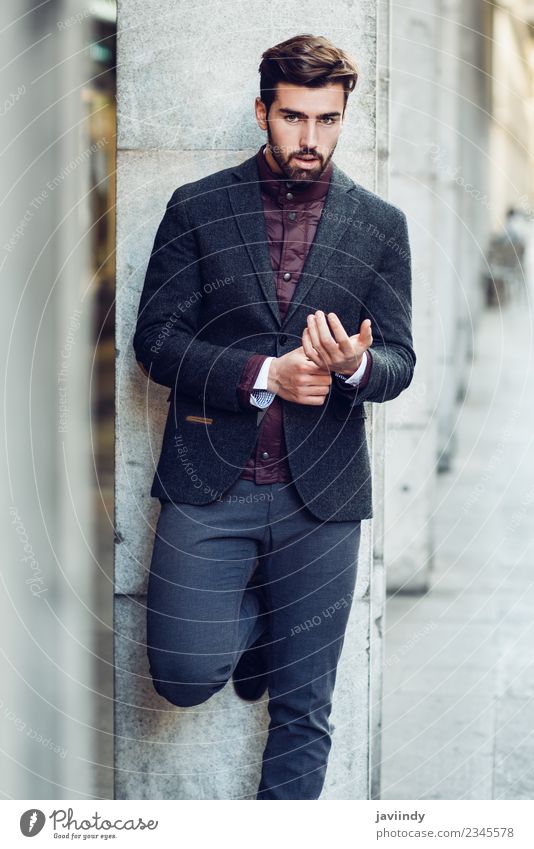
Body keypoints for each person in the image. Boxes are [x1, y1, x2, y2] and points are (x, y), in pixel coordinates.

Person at [133, 33, 416, 800]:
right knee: (186, 676)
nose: (311, 139)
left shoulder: (380, 225)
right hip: (209, 485)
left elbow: (399, 361)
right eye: (294, 118)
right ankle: (255, 630)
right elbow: (154, 342)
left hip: (321, 500)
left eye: (328, 120)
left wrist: (354, 364)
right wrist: (266, 374)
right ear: (263, 110)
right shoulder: (196, 207)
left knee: (304, 709)